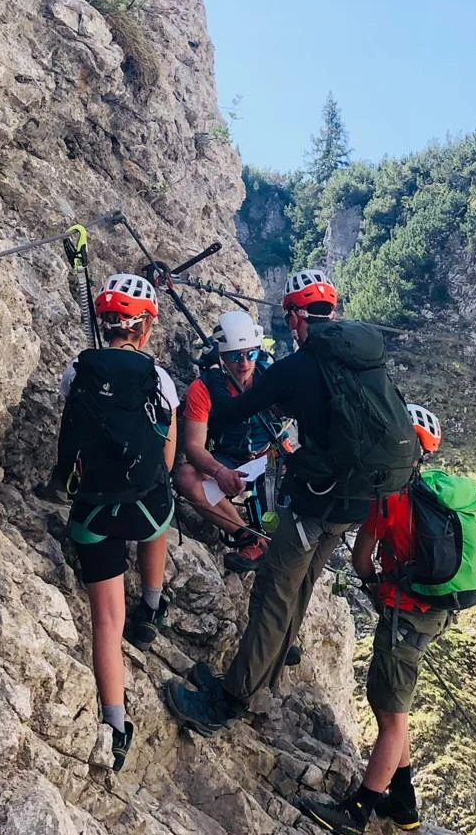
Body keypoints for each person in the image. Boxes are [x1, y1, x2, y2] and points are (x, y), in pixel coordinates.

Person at [163, 269, 417, 736]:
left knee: (273, 595)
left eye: (291, 319)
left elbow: (233, 412)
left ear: (298, 316)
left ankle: (230, 699)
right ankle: (264, 676)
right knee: (299, 590)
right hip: (360, 503)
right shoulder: (362, 360)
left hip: (316, 503)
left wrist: (210, 380)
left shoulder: (297, 368)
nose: (292, 327)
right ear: (332, 313)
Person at [298, 404, 450, 835]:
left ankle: (357, 813)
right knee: (391, 703)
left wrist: (375, 584)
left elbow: (361, 559)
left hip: (406, 616)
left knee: (390, 715)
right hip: (428, 614)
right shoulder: (435, 491)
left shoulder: (390, 498)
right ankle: (402, 801)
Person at [58, 273, 178, 771]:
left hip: (92, 510)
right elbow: (166, 464)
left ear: (103, 324)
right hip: (145, 510)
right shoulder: (162, 380)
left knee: (106, 620)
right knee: (161, 515)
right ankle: (151, 605)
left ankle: (115, 724)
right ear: (145, 327)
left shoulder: (75, 371)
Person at [175, 310, 280, 573]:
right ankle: (248, 538)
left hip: (268, 455)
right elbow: (194, 445)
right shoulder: (204, 389)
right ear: (221, 357)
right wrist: (220, 472)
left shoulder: (271, 377)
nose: (244, 363)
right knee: (186, 477)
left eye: (250, 354)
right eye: (235, 356)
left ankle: (274, 542)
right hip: (229, 457)